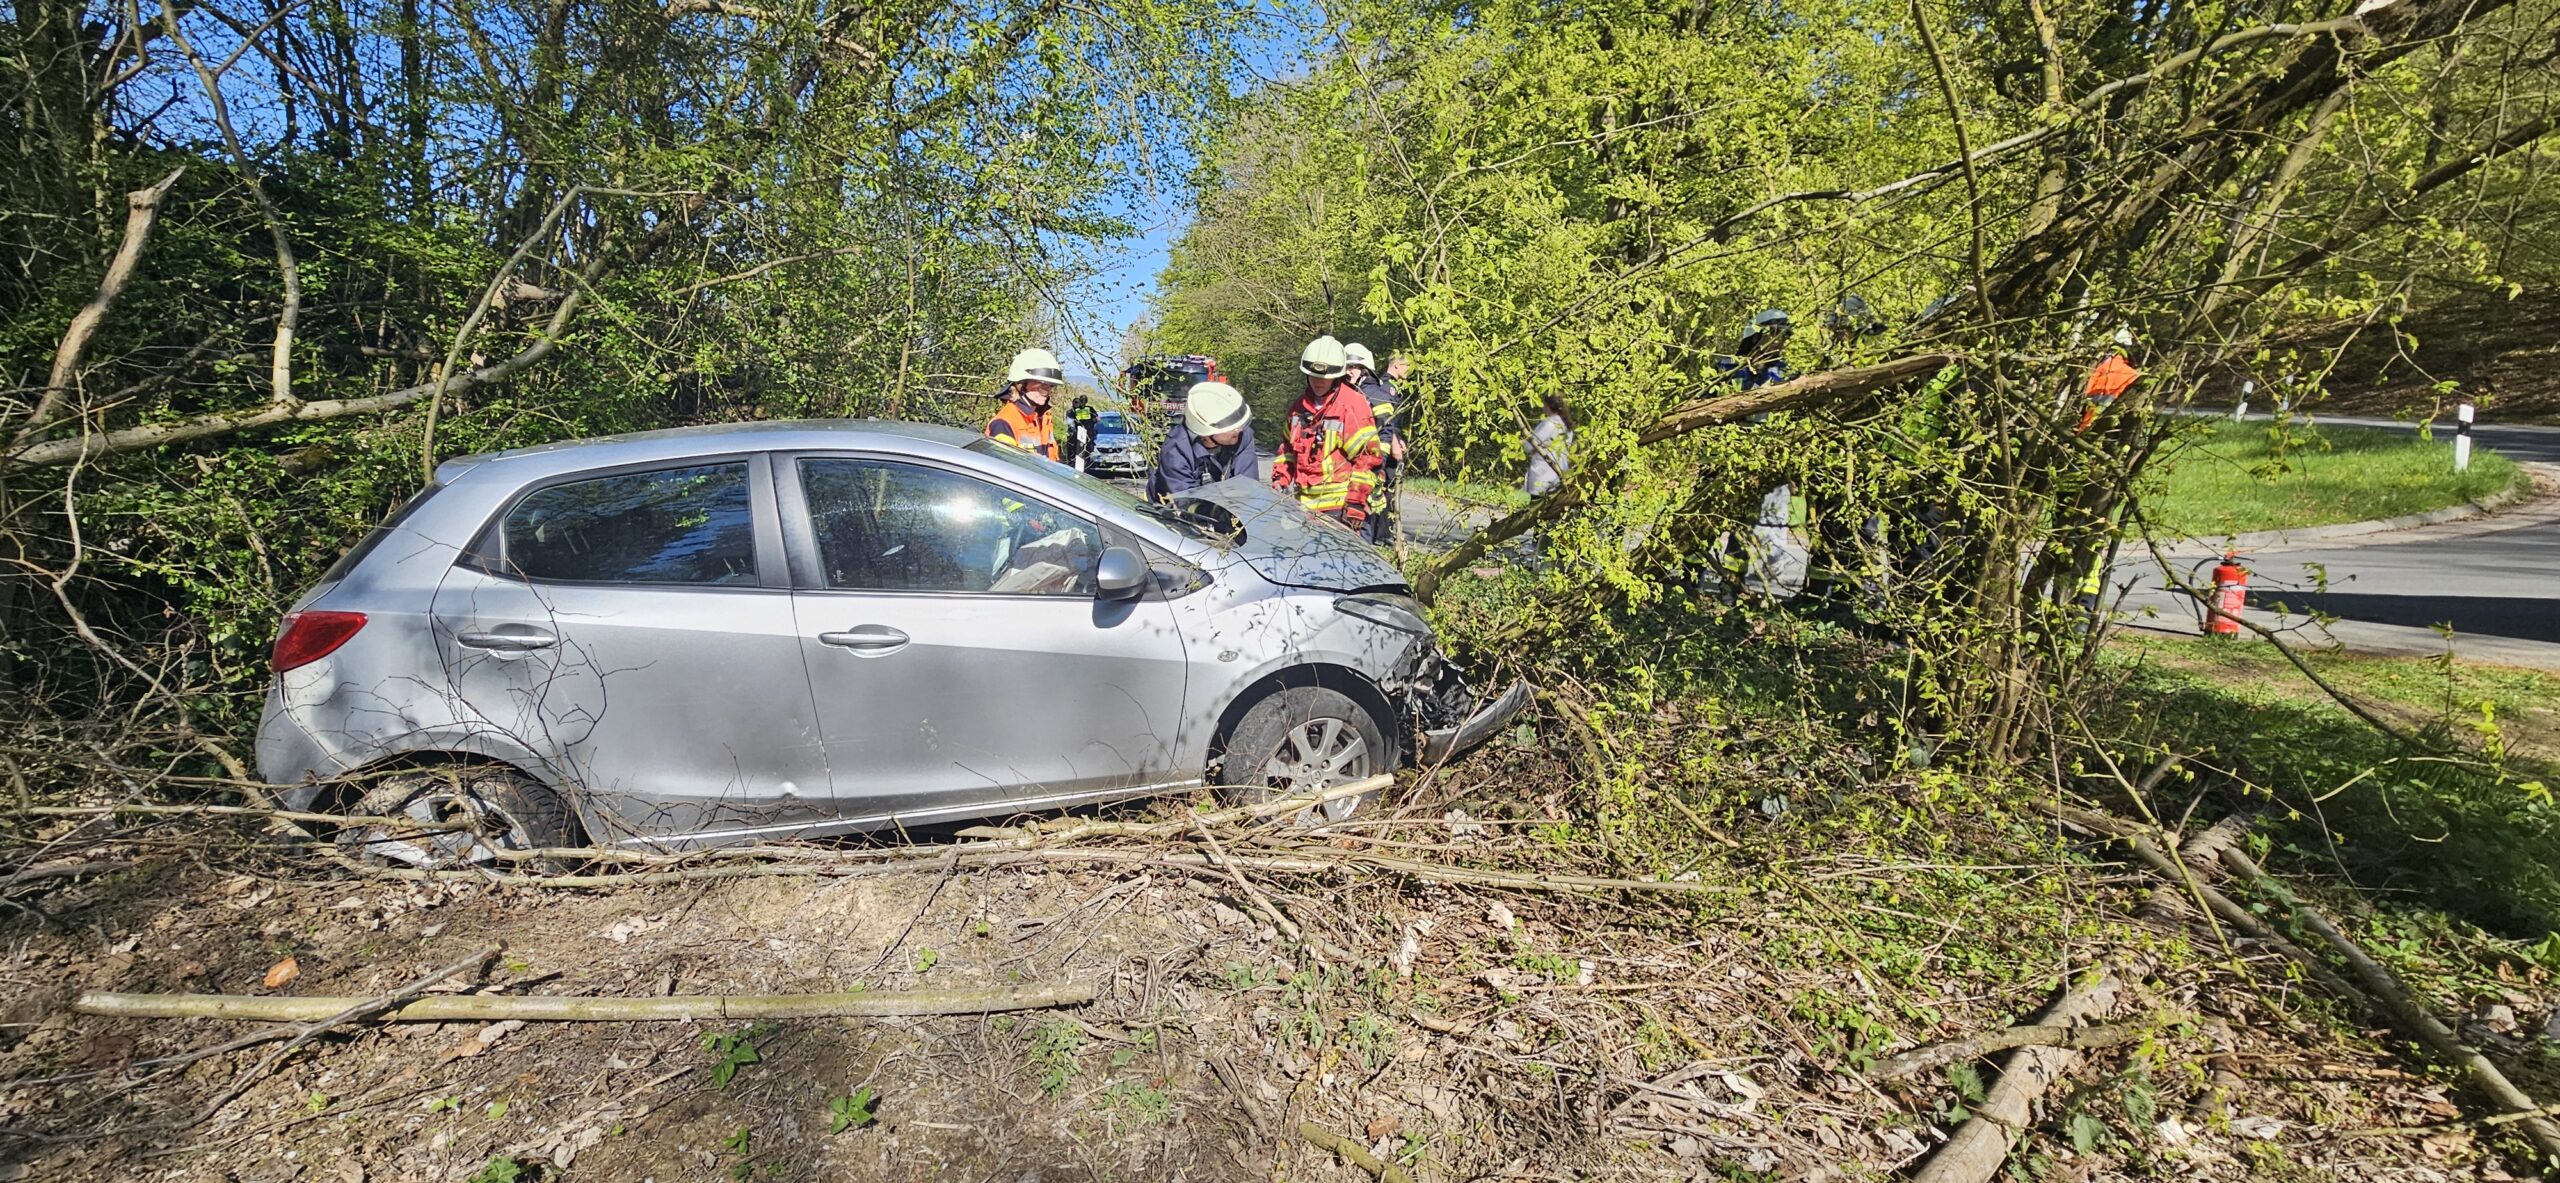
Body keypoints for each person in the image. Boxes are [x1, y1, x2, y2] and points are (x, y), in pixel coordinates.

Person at [1272, 335, 1385, 531]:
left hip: (1338, 508)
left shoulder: (1352, 405)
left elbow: (1368, 457)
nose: (1318, 382)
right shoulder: (1298, 408)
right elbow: (1287, 450)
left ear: (1337, 376)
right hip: (1301, 505)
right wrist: (1280, 479)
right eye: (1314, 376)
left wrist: (1356, 502)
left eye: (1325, 377)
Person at [1147, 380, 1257, 500]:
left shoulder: (1242, 436)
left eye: (1241, 424)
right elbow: (1187, 501)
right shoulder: (1176, 451)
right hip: (1173, 505)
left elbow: (1247, 487)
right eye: (1233, 428)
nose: (1240, 429)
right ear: (1206, 433)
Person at [1343, 342, 1403, 543]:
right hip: (1344, 475)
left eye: (1353, 367)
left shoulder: (1376, 396)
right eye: (1346, 366)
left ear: (1365, 369)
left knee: (1362, 528)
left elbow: (1385, 434)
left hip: (1367, 472)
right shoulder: (1342, 394)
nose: (1348, 371)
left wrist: (1377, 470)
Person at [986, 347, 1063, 460]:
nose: (1047, 389)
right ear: (1020, 384)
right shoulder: (1004, 423)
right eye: (1041, 383)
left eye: (1051, 385)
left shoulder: (1042, 418)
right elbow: (1004, 466)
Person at [1714, 309, 1795, 390]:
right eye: (1774, 332)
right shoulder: (1726, 368)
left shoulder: (1784, 372)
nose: (1779, 341)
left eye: (1785, 335)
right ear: (1755, 336)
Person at [1524, 393, 1572, 498]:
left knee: (1537, 502)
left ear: (1549, 406)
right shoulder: (1566, 426)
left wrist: (1534, 447)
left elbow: (1529, 445)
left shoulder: (1549, 424)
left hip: (1543, 473)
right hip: (1560, 471)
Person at [1064, 394, 1100, 472]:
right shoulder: (1072, 411)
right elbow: (1070, 423)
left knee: (1086, 451)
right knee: (1075, 452)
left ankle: (1084, 466)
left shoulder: (1089, 409)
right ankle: (1075, 465)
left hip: (1086, 434)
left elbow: (1097, 419)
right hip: (1077, 435)